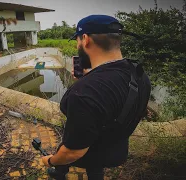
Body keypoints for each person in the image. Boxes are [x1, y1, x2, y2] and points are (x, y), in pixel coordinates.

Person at [41, 15, 151, 180]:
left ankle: (58, 172)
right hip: (116, 149)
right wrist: (89, 77)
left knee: (69, 152)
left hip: (88, 150)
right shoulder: (139, 74)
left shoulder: (84, 92)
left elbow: (72, 152)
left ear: (85, 39)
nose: (78, 45)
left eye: (77, 40)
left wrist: (50, 160)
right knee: (96, 171)